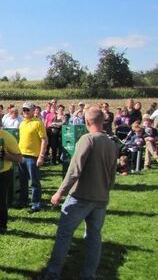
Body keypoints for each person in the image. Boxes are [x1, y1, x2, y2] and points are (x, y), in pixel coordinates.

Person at [42, 107, 118, 280]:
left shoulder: (87, 139)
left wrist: (59, 192)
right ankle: (88, 275)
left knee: (64, 235)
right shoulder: (112, 143)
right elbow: (112, 176)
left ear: (87, 121)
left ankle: (53, 274)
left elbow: (74, 170)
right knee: (93, 237)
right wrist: (105, 191)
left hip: (80, 197)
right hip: (101, 198)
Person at [18, 102, 48, 213]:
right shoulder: (21, 124)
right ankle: (23, 201)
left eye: (27, 110)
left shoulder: (38, 123)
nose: (25, 112)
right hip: (21, 156)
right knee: (22, 181)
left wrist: (41, 156)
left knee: (34, 182)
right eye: (24, 110)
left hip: (33, 157)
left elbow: (44, 140)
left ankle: (36, 204)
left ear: (33, 110)